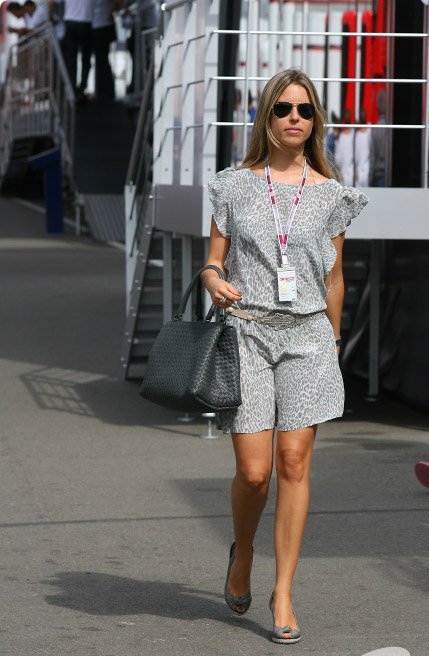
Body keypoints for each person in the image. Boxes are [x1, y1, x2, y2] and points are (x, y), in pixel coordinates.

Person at [202, 68, 368, 644]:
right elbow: (213, 258)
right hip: (247, 333)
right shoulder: (232, 185)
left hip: (309, 338)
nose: (294, 117)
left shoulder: (331, 194)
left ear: (315, 120)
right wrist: (213, 279)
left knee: (294, 463)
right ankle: (243, 553)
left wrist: (334, 342)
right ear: (266, 116)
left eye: (304, 109)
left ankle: (284, 591)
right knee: (255, 473)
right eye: (283, 108)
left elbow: (335, 278)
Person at [63, 0, 95, 100]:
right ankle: (81, 90)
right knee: (86, 58)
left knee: (71, 60)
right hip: (85, 21)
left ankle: (72, 90)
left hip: (70, 22)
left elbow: (51, 2)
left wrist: (50, 17)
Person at [92, 0, 116, 100]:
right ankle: (101, 91)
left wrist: (109, 14)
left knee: (102, 60)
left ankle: (106, 92)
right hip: (99, 25)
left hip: (102, 26)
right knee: (100, 60)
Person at [369, 90, 387, 187]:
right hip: (387, 172)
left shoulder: (375, 129)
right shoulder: (391, 129)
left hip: (378, 175)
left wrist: (370, 178)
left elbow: (372, 157)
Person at [335, 107, 355, 186]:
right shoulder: (354, 135)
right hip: (353, 174)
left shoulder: (342, 137)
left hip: (344, 174)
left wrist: (339, 172)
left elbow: (338, 158)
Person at [355, 107, 371, 187]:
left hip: (360, 168)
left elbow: (356, 155)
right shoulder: (369, 131)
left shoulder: (357, 135)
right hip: (365, 168)